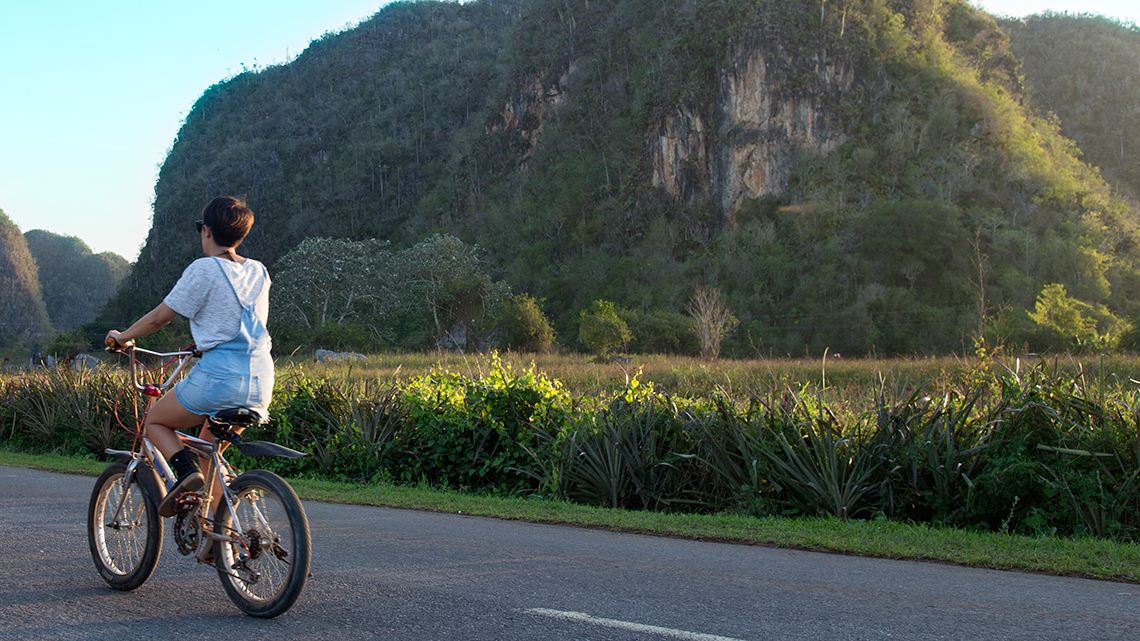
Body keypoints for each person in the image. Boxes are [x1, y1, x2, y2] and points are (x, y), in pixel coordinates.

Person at [106, 196, 273, 518]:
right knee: (211, 452)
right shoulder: (258, 270)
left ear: (206, 230)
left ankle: (184, 473)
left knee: (155, 421)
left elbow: (159, 319)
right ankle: (216, 538)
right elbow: (239, 320)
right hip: (260, 380)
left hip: (220, 378)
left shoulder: (204, 268)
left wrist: (121, 337)